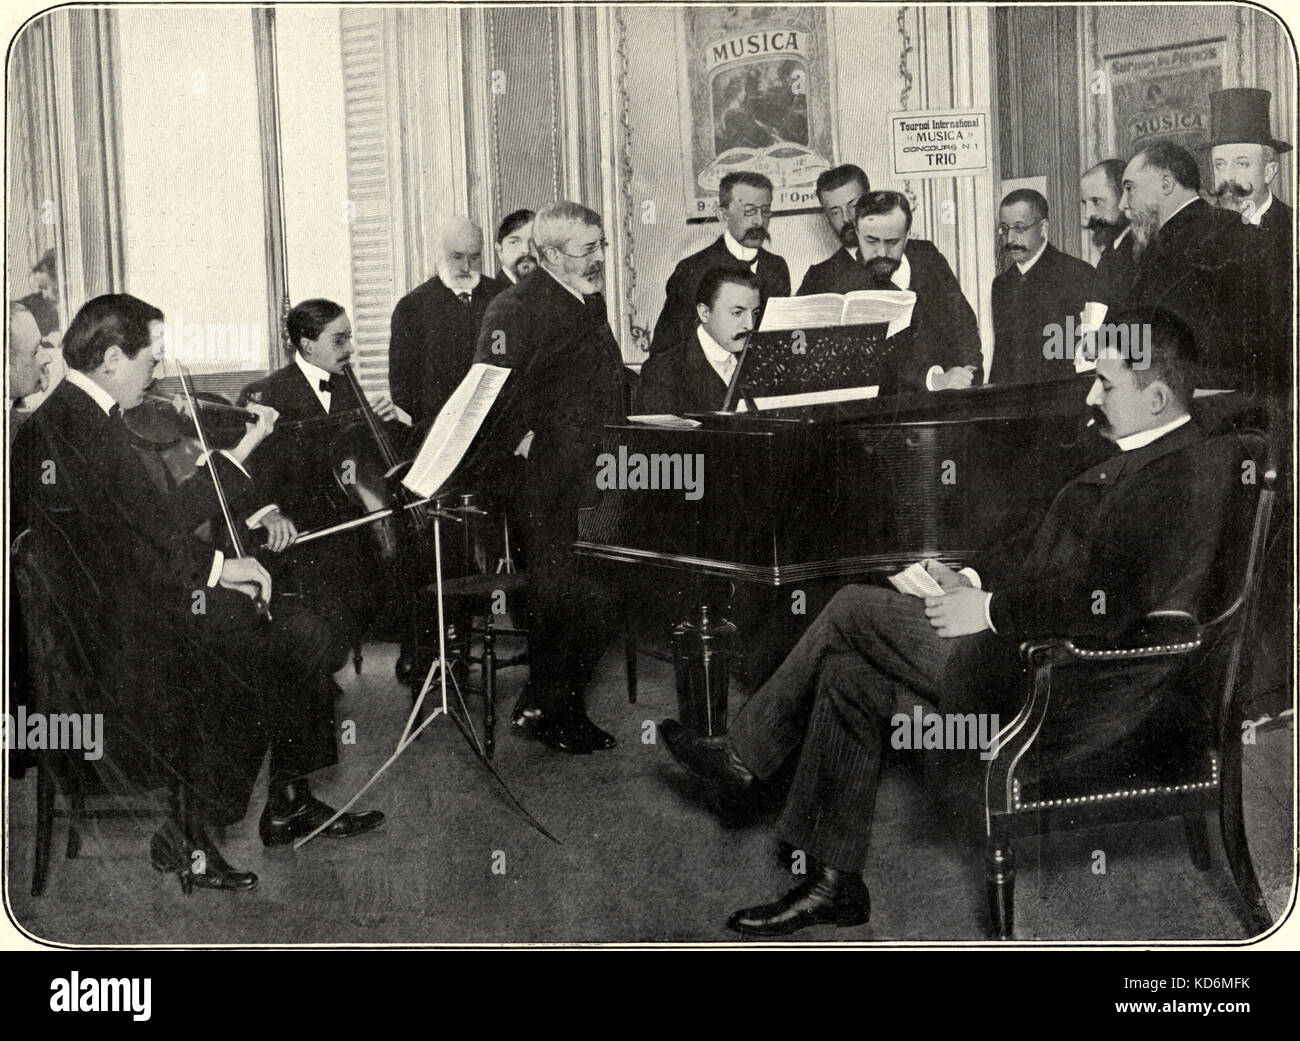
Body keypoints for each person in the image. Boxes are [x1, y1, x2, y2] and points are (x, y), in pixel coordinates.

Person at [661, 309, 1246, 935]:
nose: (1090, 395)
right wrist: (969, 580)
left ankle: (745, 761)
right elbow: (1055, 562)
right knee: (848, 669)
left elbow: (1109, 604)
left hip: (1068, 688)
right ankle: (832, 881)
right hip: (1042, 654)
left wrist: (989, 611)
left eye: (1104, 383)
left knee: (853, 607)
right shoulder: (1149, 453)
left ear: (1156, 397)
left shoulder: (1174, 475)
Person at [11, 294, 383, 893]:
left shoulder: (81, 416)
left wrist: (222, 563)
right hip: (109, 644)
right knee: (270, 639)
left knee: (301, 626)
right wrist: (217, 571)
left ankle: (286, 798)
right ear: (111, 358)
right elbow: (129, 555)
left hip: (127, 608)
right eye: (151, 359)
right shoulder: (71, 431)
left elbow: (148, 527)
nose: (158, 371)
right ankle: (190, 831)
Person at [472, 201, 633, 754]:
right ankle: (553, 710)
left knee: (601, 593)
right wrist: (528, 446)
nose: (599, 259)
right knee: (563, 595)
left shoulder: (589, 299)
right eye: (588, 250)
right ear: (548, 255)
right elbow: (488, 395)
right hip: (547, 484)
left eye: (601, 245)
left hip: (600, 472)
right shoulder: (513, 308)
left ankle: (545, 701)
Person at [240, 299, 401, 657]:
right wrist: (268, 511)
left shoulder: (350, 387)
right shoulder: (269, 393)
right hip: (301, 527)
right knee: (339, 596)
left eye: (351, 338)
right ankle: (315, 666)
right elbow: (246, 467)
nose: (351, 349)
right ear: (307, 344)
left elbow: (368, 463)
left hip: (351, 521)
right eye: (339, 340)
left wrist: (386, 422)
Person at [1120, 140, 1269, 396]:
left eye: (1130, 189)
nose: (1123, 203)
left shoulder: (1182, 241)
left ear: (1166, 184)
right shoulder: (1231, 228)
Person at [845, 191, 984, 393]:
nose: (882, 253)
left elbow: (964, 325)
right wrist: (934, 380)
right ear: (857, 233)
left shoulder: (928, 257)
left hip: (953, 401)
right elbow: (870, 366)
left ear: (908, 234)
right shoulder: (846, 286)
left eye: (892, 242)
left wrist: (968, 371)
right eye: (871, 241)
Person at [649, 171, 790, 356]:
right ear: (723, 215)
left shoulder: (777, 267)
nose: (759, 221)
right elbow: (665, 351)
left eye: (766, 211)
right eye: (749, 211)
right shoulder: (691, 271)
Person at [1202, 87, 1293, 370]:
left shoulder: (1294, 232)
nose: (1228, 177)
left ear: (1269, 172)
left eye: (1242, 164)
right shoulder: (1200, 238)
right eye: (1220, 164)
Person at [389, 215, 505, 426]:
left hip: (496, 427)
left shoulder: (503, 298)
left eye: (474, 257)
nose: (467, 266)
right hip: (439, 428)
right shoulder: (412, 307)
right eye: (457, 257)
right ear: (440, 255)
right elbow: (402, 387)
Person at [989, 188, 1095, 384]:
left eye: (1019, 228)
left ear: (1043, 228)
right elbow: (1002, 357)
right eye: (1004, 228)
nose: (1010, 238)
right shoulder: (1001, 285)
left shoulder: (1078, 274)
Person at [637, 268, 760, 414]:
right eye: (737, 313)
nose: (750, 325)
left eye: (755, 313)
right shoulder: (662, 371)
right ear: (705, 313)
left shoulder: (760, 360)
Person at [797, 164, 871, 295]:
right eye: (835, 212)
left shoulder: (916, 254)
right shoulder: (817, 278)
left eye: (853, 205)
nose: (846, 218)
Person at [1080, 159, 1137, 313]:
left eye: (1096, 201)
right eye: (1085, 204)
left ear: (1123, 196)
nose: (1087, 215)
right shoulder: (1111, 252)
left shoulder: (1139, 253)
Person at [495, 208, 538, 284]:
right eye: (514, 242)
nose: (526, 250)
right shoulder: (490, 294)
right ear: (499, 251)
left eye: (534, 241)